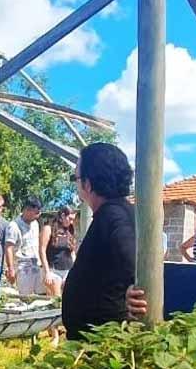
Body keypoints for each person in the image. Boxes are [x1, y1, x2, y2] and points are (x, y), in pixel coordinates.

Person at [62, 143, 149, 340]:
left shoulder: (113, 216)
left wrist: (132, 288)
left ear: (88, 183)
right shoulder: (121, 212)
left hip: (101, 344)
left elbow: (131, 258)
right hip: (98, 338)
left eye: (76, 178)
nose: (77, 185)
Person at [5, 197, 45, 297]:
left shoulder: (35, 224)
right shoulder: (14, 226)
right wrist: (10, 269)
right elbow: (9, 247)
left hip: (36, 266)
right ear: (27, 210)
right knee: (25, 298)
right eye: (36, 213)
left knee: (40, 297)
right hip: (23, 268)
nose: (38, 215)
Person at [41, 205, 77, 295]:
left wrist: (76, 270)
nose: (71, 222)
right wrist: (47, 272)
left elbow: (72, 252)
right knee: (57, 298)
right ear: (63, 216)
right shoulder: (48, 229)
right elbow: (42, 250)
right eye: (70, 218)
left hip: (68, 269)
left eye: (73, 219)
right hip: (53, 269)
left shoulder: (70, 231)